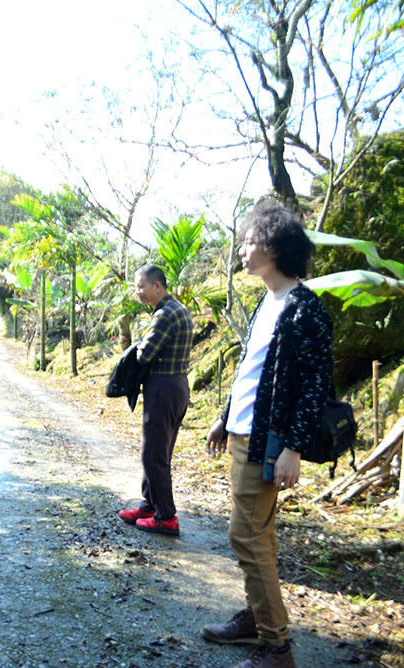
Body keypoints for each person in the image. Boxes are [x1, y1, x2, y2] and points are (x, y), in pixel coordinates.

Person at [203, 201, 332, 668]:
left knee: (247, 537)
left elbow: (316, 383)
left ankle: (277, 646)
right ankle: (259, 619)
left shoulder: (304, 306)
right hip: (242, 433)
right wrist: (224, 415)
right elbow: (253, 372)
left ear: (274, 247)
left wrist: (293, 448)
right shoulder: (267, 299)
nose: (242, 249)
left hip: (269, 443)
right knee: (259, 535)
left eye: (249, 241)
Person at [118, 264, 194, 536]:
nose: (138, 292)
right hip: (176, 386)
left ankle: (165, 515)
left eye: (141, 286)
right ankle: (148, 506)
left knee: (152, 453)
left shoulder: (164, 314)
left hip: (163, 387)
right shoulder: (179, 309)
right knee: (159, 451)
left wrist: (134, 348)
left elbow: (144, 355)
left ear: (157, 286)